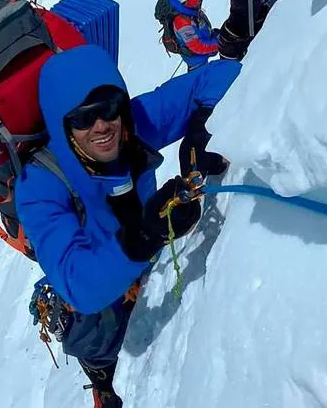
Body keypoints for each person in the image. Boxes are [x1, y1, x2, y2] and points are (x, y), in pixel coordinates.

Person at [15, 45, 240, 407]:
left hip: (140, 258)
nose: (101, 126)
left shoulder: (131, 125)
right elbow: (79, 284)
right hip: (95, 281)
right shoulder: (39, 186)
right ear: (63, 123)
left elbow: (225, 74)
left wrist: (199, 129)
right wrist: (147, 235)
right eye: (83, 118)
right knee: (98, 334)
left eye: (108, 110)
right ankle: (102, 382)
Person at [168, 0, 219, 71]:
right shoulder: (182, 23)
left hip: (204, 48)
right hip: (196, 60)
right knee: (199, 79)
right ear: (186, 3)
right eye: (196, 1)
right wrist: (220, 44)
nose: (199, 3)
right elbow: (198, 46)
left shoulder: (191, 11)